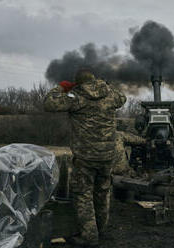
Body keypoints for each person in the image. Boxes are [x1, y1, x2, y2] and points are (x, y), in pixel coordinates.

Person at [43, 68, 126, 247]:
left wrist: (61, 87)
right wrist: (107, 86)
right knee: (103, 192)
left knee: (83, 194)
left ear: (78, 83)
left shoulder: (76, 98)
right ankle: (100, 229)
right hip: (107, 157)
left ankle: (89, 236)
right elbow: (122, 98)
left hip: (86, 157)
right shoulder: (110, 96)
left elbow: (49, 104)